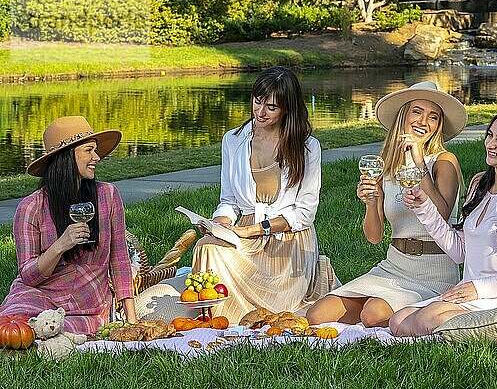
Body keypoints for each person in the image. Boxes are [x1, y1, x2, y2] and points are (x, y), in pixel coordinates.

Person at [306, 81, 467, 327]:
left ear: (438, 126)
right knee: (317, 315)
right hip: (394, 265)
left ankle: (401, 308)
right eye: (417, 112)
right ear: (403, 115)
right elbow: (374, 236)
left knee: (372, 315)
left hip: (433, 272)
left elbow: (442, 215)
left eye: (433, 117)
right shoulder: (386, 167)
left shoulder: (443, 161)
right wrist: (371, 202)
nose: (423, 121)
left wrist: (418, 161)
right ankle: (378, 299)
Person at [186, 66, 332, 324]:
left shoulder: (307, 146)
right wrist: (220, 222)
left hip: (287, 240)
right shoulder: (233, 139)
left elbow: (305, 213)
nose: (260, 112)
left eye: (271, 107)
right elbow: (229, 200)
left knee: (281, 308)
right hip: (244, 234)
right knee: (206, 248)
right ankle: (217, 317)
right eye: (257, 101)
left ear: (287, 108)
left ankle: (251, 311)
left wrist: (255, 230)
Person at [389, 107, 497, 337]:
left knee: (423, 321)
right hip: (470, 292)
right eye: (490, 135)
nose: (491, 144)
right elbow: (459, 252)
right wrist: (423, 207)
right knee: (398, 320)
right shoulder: (479, 184)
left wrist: (479, 289)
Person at [0, 116, 137, 335]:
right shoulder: (31, 207)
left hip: (88, 306)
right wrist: (60, 245)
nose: (97, 157)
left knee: (54, 333)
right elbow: (29, 276)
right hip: (38, 296)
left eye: (95, 150)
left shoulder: (108, 196)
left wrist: (131, 319)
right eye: (89, 151)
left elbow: (119, 258)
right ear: (66, 157)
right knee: (13, 329)